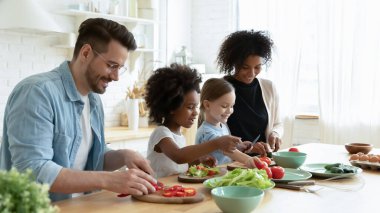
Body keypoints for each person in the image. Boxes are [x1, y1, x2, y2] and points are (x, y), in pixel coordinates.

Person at [0, 18, 156, 202]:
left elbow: (88, 158)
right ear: (86, 53)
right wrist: (109, 180)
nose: (115, 77)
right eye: (111, 65)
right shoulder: (37, 93)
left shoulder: (94, 100)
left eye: (119, 68)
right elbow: (33, 170)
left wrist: (124, 156)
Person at [144, 64, 242, 178]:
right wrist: (217, 143)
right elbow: (178, 157)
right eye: (190, 107)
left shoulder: (179, 136)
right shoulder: (161, 133)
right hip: (157, 189)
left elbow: (179, 164)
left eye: (196, 107)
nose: (196, 112)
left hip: (173, 189)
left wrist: (199, 161)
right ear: (172, 107)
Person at [216, 30, 283, 156]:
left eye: (257, 67)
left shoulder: (269, 88)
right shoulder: (219, 88)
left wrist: (275, 133)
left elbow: (278, 124)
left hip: (263, 159)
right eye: (245, 67)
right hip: (232, 161)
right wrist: (249, 148)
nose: (251, 73)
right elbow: (211, 136)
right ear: (233, 63)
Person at [196, 78, 258, 167]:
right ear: (207, 105)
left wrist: (239, 146)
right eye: (224, 106)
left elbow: (225, 149)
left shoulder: (223, 126)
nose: (230, 111)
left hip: (223, 174)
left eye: (232, 106)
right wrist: (248, 159)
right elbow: (227, 151)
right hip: (210, 178)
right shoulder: (206, 132)